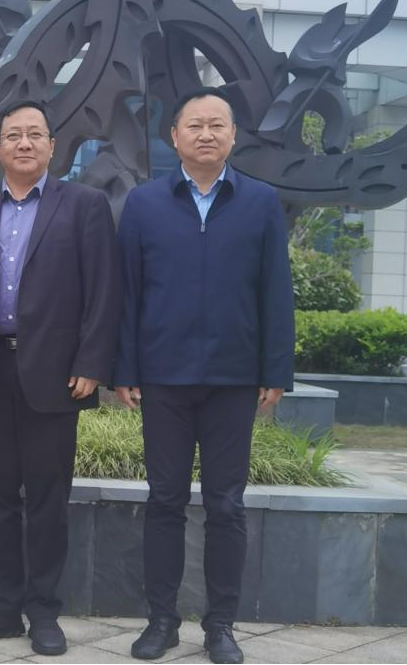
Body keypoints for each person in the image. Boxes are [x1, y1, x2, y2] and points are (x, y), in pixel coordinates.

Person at [113, 87, 294, 665]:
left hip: (233, 378)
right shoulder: (145, 203)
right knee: (164, 500)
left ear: (233, 136)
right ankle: (161, 621)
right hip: (162, 377)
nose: (207, 133)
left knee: (226, 505)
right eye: (195, 124)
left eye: (218, 124)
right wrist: (125, 369)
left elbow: (275, 290)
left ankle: (221, 626)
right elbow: (127, 292)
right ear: (175, 137)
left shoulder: (260, 202)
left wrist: (275, 368)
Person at [0, 100, 120, 656]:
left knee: (47, 497)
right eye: (14, 135)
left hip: (56, 373)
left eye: (35, 135)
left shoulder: (84, 205)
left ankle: (43, 611)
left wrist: (91, 363)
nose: (25, 143)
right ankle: (0, 608)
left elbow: (104, 290)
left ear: (52, 146)